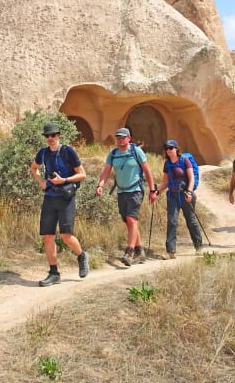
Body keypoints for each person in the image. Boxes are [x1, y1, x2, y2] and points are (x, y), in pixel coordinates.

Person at [31, 121, 89, 286]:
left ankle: (81, 255)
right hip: (49, 197)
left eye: (53, 135)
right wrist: (41, 181)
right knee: (48, 236)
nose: (50, 139)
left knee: (66, 236)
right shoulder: (42, 153)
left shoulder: (68, 151)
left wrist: (64, 180)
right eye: (47, 136)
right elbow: (34, 168)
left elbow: (82, 175)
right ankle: (54, 273)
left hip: (66, 198)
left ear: (59, 135)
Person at [96, 127, 157, 266]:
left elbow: (147, 171)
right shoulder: (113, 154)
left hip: (135, 190)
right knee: (129, 222)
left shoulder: (136, 151)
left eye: (123, 137)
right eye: (118, 137)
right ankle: (140, 252)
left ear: (129, 138)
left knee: (131, 219)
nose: (120, 140)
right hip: (121, 191)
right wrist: (100, 185)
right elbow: (106, 171)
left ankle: (129, 252)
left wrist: (152, 190)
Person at [154, 139, 203, 257]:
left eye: (171, 148)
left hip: (186, 194)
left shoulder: (185, 160)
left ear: (176, 149)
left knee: (191, 220)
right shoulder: (167, 164)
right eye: (167, 149)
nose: (169, 151)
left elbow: (191, 178)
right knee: (172, 221)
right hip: (172, 196)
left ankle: (198, 246)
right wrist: (157, 191)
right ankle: (171, 250)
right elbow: (165, 182)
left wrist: (190, 192)